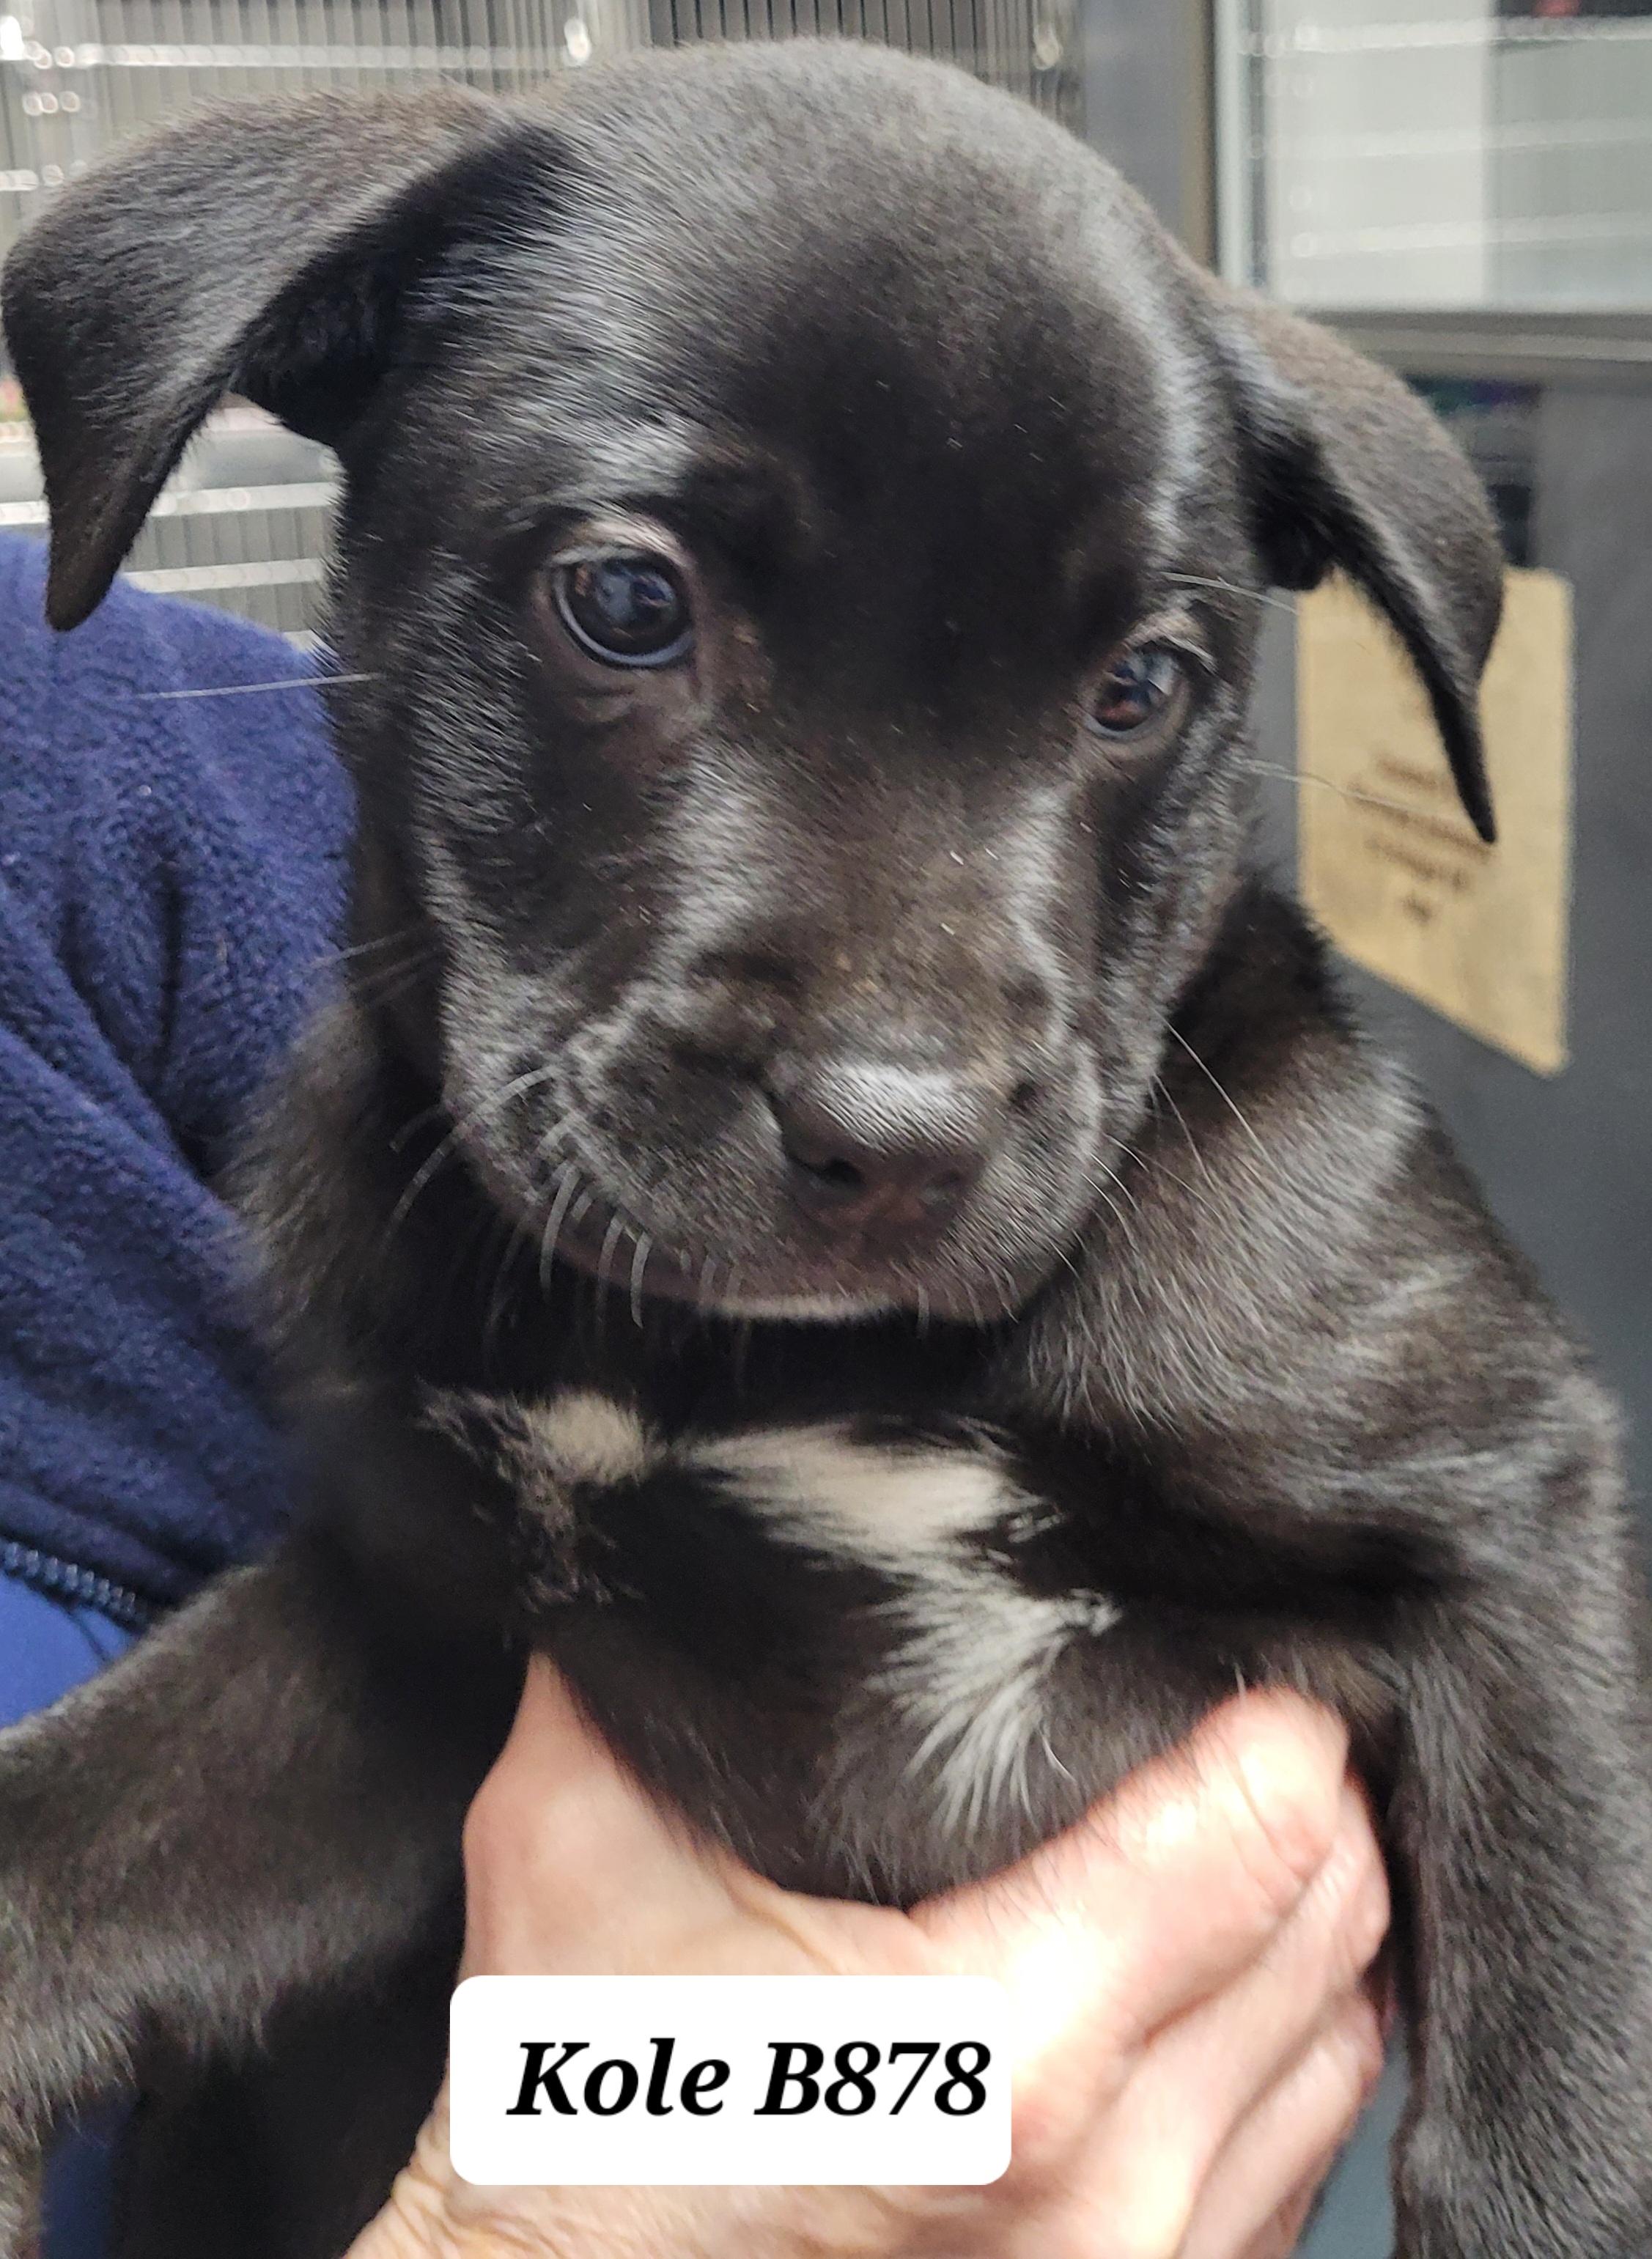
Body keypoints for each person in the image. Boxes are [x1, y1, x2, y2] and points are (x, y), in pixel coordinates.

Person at [0, 529, 1387, 2258]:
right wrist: (564, 2210)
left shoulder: (115, 764)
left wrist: (849, 2089)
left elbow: (396, 1647)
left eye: (1127, 691)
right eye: (632, 612)